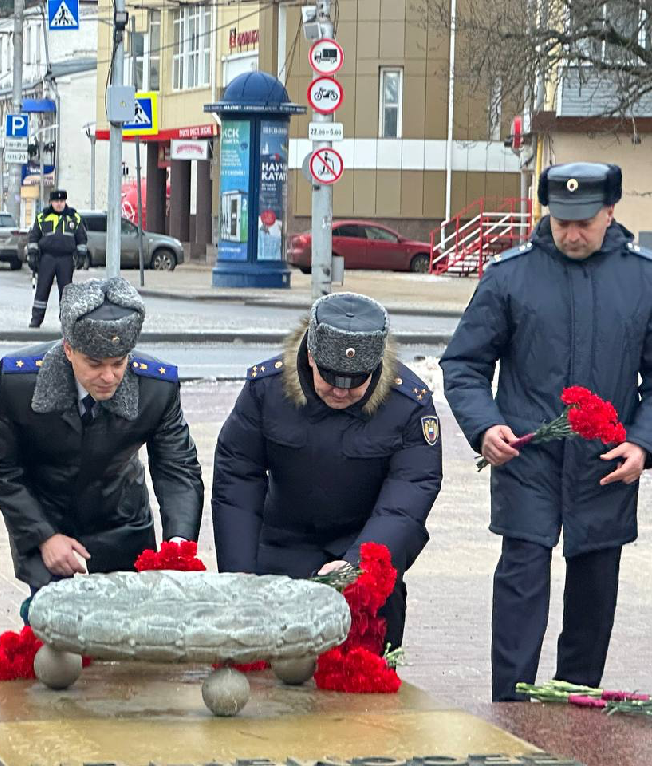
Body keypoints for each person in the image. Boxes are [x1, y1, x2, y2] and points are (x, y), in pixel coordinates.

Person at [440, 162, 652, 701]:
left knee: (595, 588)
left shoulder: (643, 277)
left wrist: (644, 443)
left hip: (605, 466)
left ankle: (575, 702)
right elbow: (463, 363)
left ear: (610, 212)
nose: (572, 233)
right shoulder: (509, 276)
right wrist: (486, 426)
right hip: (527, 460)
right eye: (561, 222)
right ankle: (511, 708)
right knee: (521, 580)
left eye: (584, 222)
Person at [213, 292, 442, 650]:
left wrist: (357, 563)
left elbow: (408, 495)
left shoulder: (409, 405)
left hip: (365, 550)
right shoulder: (266, 389)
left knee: (363, 684)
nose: (340, 390)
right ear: (309, 355)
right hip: (282, 545)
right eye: (330, 377)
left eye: (355, 381)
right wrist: (240, 570)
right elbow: (238, 475)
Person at [0, 277, 203, 607]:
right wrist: (43, 535)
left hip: (122, 523)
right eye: (94, 364)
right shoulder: (19, 381)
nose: (108, 376)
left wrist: (178, 545)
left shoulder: (157, 386)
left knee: (129, 639)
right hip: (47, 518)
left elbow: (177, 468)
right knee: (55, 637)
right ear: (68, 349)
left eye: (118, 363)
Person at [26, 190, 87, 328]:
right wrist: (33, 254)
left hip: (66, 259)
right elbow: (34, 236)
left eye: (61, 201)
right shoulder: (42, 217)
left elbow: (81, 237)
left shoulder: (74, 217)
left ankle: (65, 321)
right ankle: (36, 319)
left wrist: (82, 254)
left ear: (65, 202)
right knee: (42, 289)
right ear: (51, 202)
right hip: (47, 258)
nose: (59, 204)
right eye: (56, 202)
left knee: (66, 291)